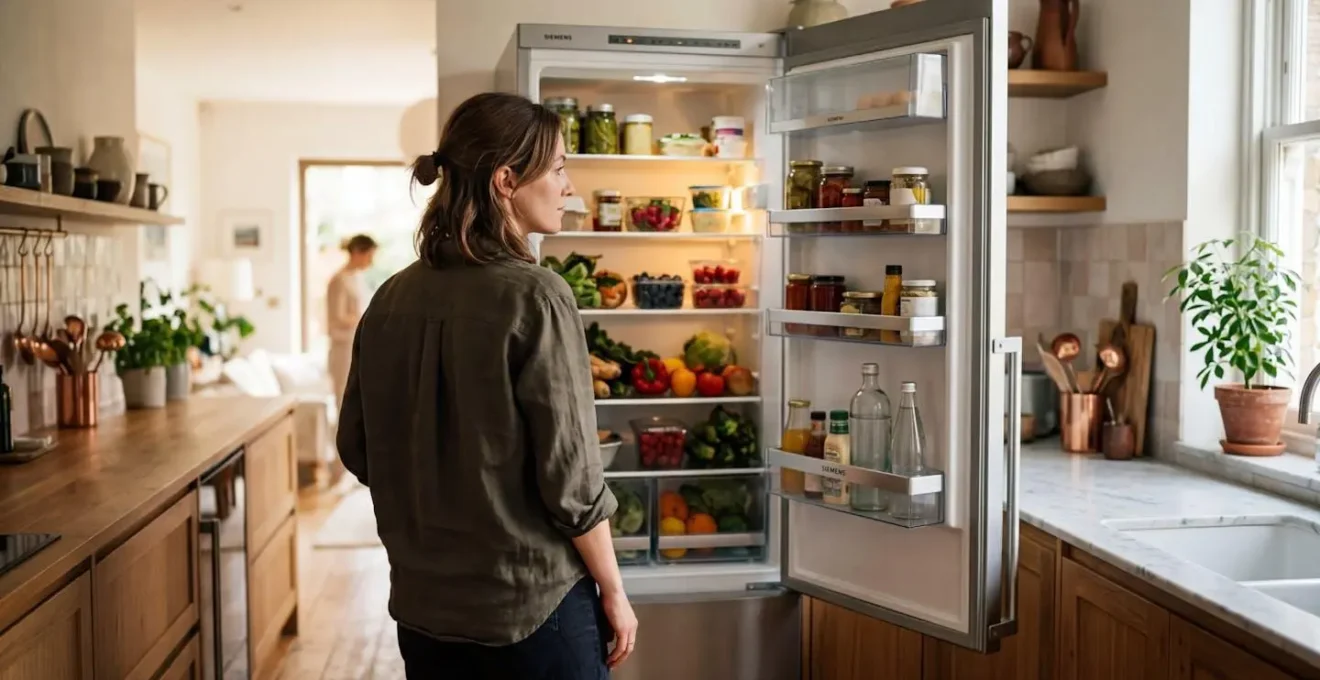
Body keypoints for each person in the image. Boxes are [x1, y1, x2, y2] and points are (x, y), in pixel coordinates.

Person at [335, 92, 637, 679]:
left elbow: (357, 447)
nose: (568, 186)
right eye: (558, 169)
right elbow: (572, 483)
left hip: (423, 613)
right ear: (505, 179)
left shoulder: (390, 297)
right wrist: (614, 592)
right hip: (531, 611)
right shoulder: (539, 294)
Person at [326, 233, 376, 410]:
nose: (371, 261)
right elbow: (337, 317)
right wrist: (365, 318)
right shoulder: (339, 280)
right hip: (343, 346)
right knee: (344, 395)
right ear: (357, 252)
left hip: (357, 342)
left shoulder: (357, 278)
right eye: (369, 255)